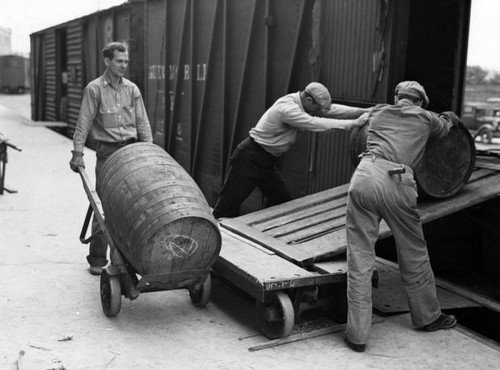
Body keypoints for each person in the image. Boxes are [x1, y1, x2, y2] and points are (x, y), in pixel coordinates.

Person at [343, 81, 460, 352]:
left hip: (364, 176)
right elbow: (446, 128)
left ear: (397, 98)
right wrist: (449, 118)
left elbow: (358, 122)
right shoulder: (427, 118)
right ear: (420, 101)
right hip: (397, 180)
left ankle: (357, 336)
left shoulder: (379, 112)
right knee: (413, 252)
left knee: (359, 259)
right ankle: (428, 317)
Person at [212, 82, 368, 219]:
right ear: (308, 100)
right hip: (249, 158)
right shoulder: (288, 109)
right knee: (226, 209)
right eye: (316, 107)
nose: (318, 110)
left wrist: (363, 111)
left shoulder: (303, 103)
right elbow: (315, 123)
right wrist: (354, 123)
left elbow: (331, 110)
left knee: (283, 203)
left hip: (266, 161)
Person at [69, 41, 153, 276]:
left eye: (126, 61)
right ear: (107, 61)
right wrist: (77, 153)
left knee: (134, 205)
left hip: (132, 153)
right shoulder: (94, 89)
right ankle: (97, 258)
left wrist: (150, 152)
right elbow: (83, 123)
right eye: (119, 61)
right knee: (103, 205)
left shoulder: (132, 89)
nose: (124, 65)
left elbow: (142, 123)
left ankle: (130, 260)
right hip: (107, 154)